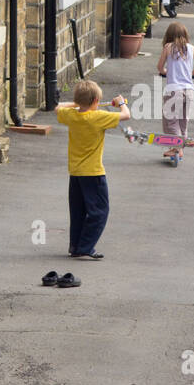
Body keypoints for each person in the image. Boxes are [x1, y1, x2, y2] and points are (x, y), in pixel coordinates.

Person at [55, 79, 130, 260]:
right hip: (93, 172)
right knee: (99, 212)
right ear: (96, 101)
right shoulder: (98, 117)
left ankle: (76, 245)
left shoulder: (71, 116)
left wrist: (78, 103)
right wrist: (120, 103)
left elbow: (58, 106)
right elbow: (126, 115)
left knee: (78, 211)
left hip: (75, 173)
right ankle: (85, 247)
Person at [156, 21, 194, 158]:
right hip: (189, 90)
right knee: (183, 120)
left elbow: (160, 67)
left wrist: (166, 72)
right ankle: (179, 148)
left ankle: (176, 148)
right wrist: (190, 73)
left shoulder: (168, 47)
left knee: (170, 120)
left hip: (174, 89)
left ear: (169, 35)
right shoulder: (191, 48)